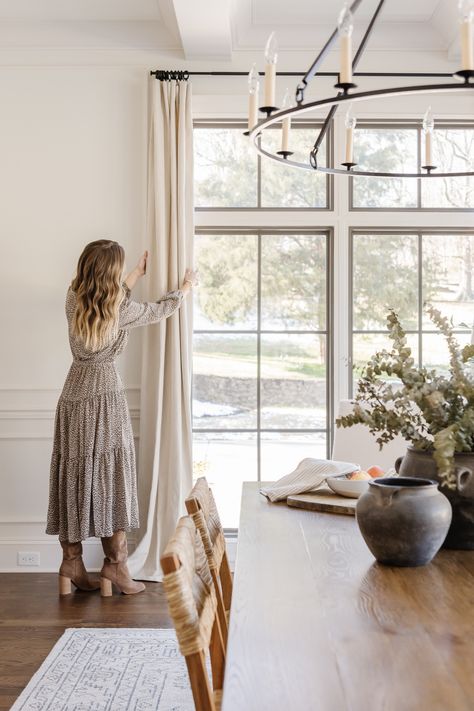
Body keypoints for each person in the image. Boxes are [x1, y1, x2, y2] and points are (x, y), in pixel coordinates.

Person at [46, 239, 196, 596]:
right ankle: (116, 566)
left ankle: (71, 561)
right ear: (111, 275)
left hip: (72, 395)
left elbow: (109, 296)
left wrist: (133, 275)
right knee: (112, 479)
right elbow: (157, 311)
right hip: (105, 398)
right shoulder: (119, 311)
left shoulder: (72, 299)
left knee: (75, 475)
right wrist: (186, 289)